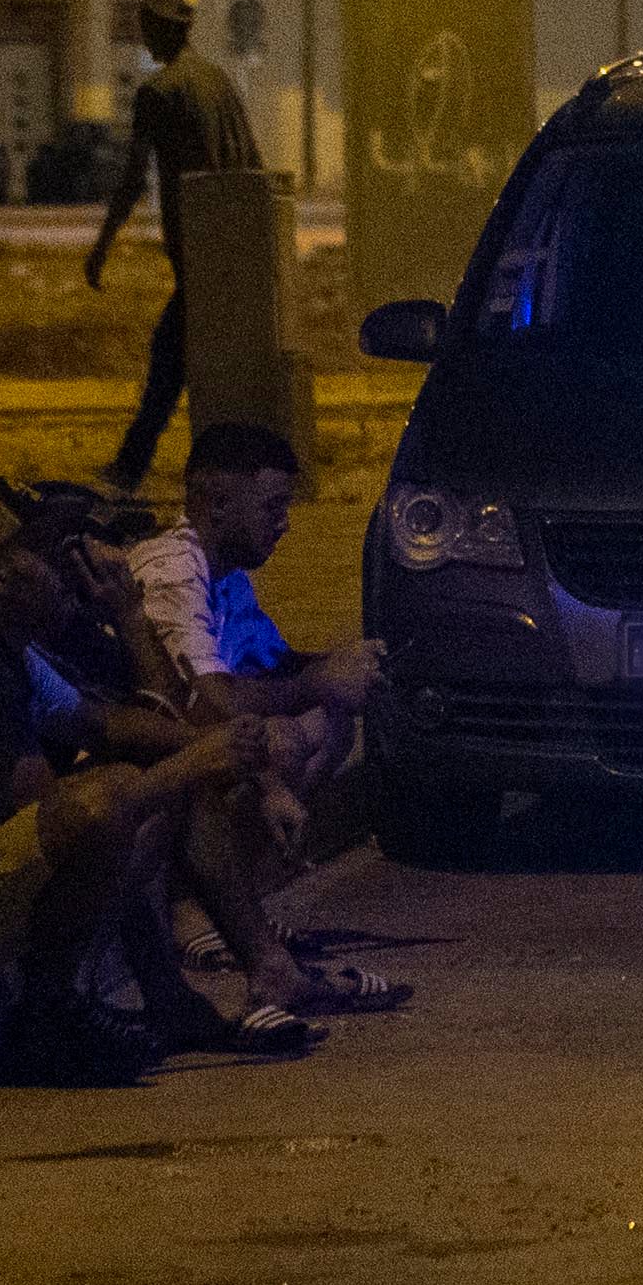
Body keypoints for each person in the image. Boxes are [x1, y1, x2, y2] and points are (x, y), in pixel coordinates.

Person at [0, 493, 270, 1084]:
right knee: (111, 799)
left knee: (151, 780)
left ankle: (167, 996)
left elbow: (105, 721)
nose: (73, 572)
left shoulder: (6, 649)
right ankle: (46, 1017)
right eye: (53, 555)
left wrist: (223, 760)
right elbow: (56, 819)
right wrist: (194, 762)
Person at [124, 422, 410, 1014]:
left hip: (180, 751)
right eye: (273, 506)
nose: (284, 523)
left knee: (327, 715)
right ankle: (193, 913)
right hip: (142, 753)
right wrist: (318, 680)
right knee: (279, 738)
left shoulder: (227, 574)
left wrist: (349, 667)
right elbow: (208, 701)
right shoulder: (176, 569)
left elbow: (270, 664)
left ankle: (239, 912)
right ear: (218, 501)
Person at [87, 0, 263, 491]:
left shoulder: (158, 92)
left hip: (197, 254)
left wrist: (102, 246)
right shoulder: (219, 82)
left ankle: (133, 469)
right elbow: (253, 161)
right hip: (234, 248)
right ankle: (148, 465)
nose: (141, 30)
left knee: (171, 362)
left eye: (145, 21)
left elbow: (133, 177)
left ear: (158, 27)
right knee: (195, 363)